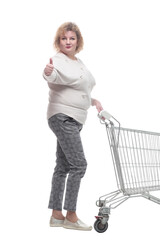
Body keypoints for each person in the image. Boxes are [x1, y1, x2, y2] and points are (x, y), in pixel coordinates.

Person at [43, 22, 103, 231]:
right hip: (63, 117)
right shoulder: (58, 61)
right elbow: (53, 77)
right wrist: (48, 72)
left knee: (63, 166)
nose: (68, 42)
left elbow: (79, 89)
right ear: (58, 41)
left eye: (72, 38)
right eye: (63, 38)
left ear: (78, 41)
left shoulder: (79, 62)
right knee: (80, 165)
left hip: (75, 118)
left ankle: (56, 215)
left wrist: (92, 101)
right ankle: (71, 214)